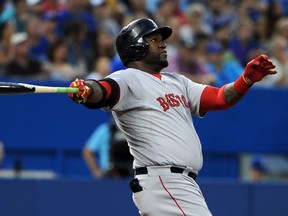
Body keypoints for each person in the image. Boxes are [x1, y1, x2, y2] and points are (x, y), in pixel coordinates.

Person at [68, 18, 276, 216]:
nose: (163, 44)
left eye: (162, 39)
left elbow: (221, 98)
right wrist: (87, 89)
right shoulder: (128, 78)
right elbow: (104, 90)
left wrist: (246, 79)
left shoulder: (178, 82)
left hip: (179, 183)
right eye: (154, 40)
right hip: (164, 180)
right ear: (135, 47)